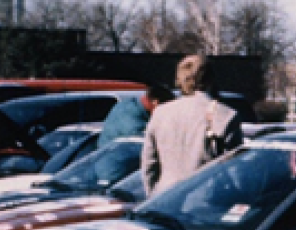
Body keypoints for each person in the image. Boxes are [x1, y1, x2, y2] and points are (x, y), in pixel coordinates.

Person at [141, 55, 243, 196]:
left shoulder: (160, 113)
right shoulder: (226, 115)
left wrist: (153, 198)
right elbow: (234, 172)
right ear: (210, 80)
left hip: (164, 200)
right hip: (207, 202)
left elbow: (149, 166)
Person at [99, 83, 174, 149]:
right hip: (116, 160)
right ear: (156, 103)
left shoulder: (129, 103)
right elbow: (148, 146)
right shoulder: (133, 122)